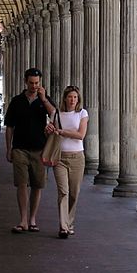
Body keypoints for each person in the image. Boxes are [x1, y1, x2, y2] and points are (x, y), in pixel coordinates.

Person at [4, 67, 55, 233]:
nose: (34, 86)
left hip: (40, 149)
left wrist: (44, 99)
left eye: (37, 83)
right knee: (21, 184)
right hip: (20, 148)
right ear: (26, 82)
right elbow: (10, 126)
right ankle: (23, 219)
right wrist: (8, 148)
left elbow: (55, 116)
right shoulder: (17, 101)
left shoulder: (44, 100)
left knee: (37, 185)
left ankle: (33, 218)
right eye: (31, 83)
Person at [45, 85, 88, 239]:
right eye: (70, 97)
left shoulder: (82, 113)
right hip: (59, 157)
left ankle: (69, 222)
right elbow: (48, 131)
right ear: (65, 98)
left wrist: (62, 132)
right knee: (63, 192)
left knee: (74, 193)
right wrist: (49, 129)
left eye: (75, 97)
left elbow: (81, 135)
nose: (72, 100)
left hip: (77, 158)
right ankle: (63, 226)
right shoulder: (56, 114)